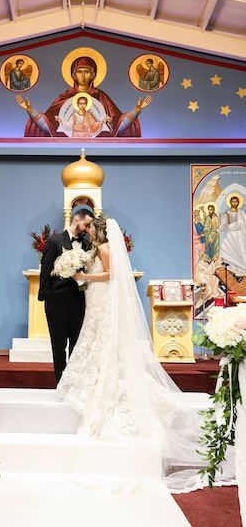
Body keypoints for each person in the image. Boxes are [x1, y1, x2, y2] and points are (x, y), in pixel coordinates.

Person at [56, 216, 234, 491]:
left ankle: (104, 381)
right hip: (95, 297)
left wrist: (85, 276)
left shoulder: (103, 249)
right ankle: (93, 377)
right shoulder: (95, 248)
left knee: (101, 338)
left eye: (91, 227)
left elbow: (112, 274)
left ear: (99, 230)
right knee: (93, 336)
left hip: (101, 294)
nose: (87, 229)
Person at [16, 56, 151, 137]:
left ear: (93, 75)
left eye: (87, 72)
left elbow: (116, 125)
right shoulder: (65, 96)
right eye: (79, 72)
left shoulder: (100, 96)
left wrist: (137, 110)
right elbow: (50, 125)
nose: (83, 75)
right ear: (73, 75)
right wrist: (30, 110)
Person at [38, 205, 94, 383]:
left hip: (78, 301)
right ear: (76, 220)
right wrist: (48, 296)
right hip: (57, 302)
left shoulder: (87, 244)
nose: (87, 229)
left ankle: (74, 382)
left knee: (76, 344)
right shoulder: (54, 241)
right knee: (59, 344)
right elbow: (45, 271)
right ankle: (60, 383)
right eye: (86, 225)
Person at [219, 194, 246, 275]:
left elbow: (244, 223)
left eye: (236, 201)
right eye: (233, 201)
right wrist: (219, 228)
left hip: (240, 234)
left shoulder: (241, 212)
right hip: (231, 234)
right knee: (227, 248)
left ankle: (243, 269)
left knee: (242, 250)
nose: (234, 203)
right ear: (230, 202)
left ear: (238, 203)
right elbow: (224, 225)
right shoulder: (227, 213)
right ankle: (233, 269)